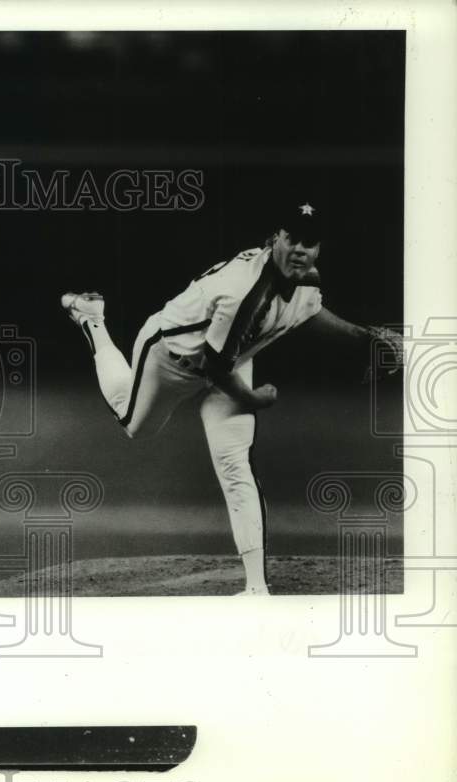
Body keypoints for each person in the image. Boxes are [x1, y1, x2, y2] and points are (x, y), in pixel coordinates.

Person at [60, 201, 403, 595]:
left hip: (231, 356)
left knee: (234, 463)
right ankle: (93, 319)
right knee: (132, 422)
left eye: (309, 242)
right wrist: (255, 400)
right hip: (171, 359)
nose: (300, 249)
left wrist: (366, 339)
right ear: (276, 238)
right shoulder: (245, 292)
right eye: (292, 238)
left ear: (319, 248)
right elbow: (215, 367)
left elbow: (308, 312)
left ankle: (256, 588)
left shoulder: (305, 278)